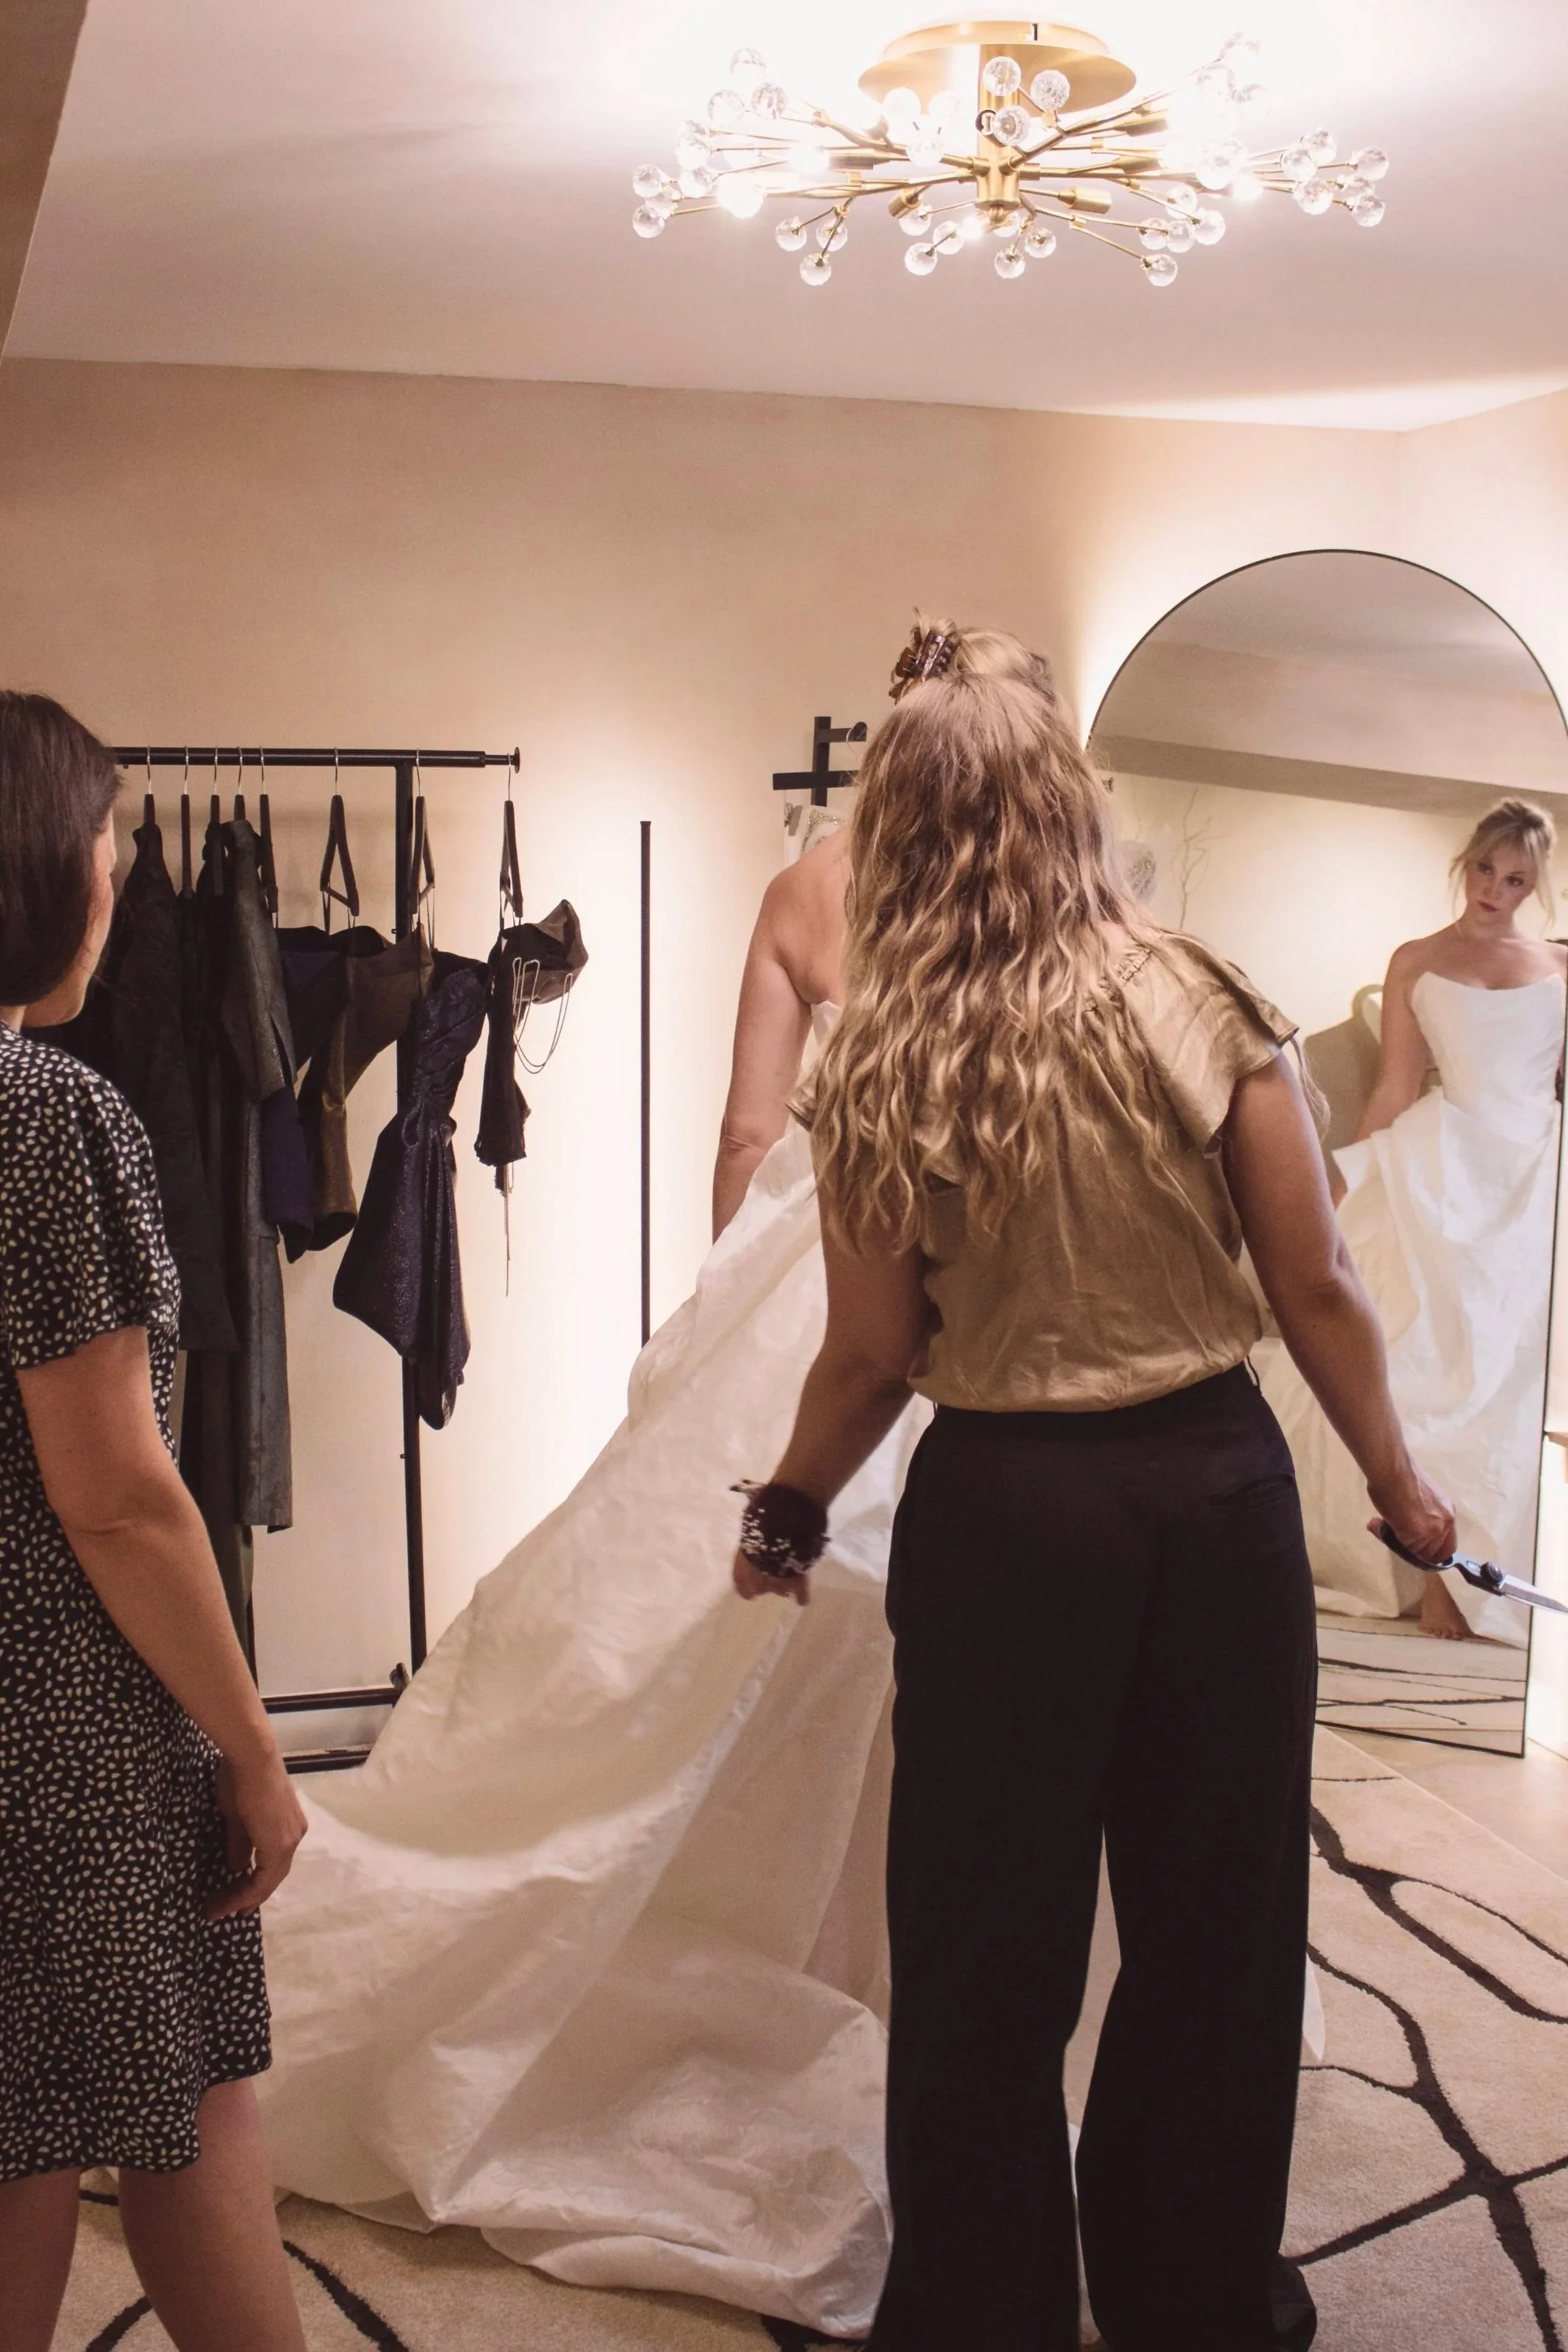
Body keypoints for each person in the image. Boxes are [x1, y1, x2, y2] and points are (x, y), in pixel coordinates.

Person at [731, 620, 1456, 2352]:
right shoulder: (1193, 995)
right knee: (1213, 1931)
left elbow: (866, 1353)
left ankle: (976, 2314)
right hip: (1208, 1503)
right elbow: (1318, 1284)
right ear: (1070, 802)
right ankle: (1187, 2299)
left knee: (981, 1950)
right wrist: (1397, 1489)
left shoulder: (879, 1054)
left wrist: (790, 1501)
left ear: (894, 828)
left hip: (1001, 1519)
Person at [255, 804, 922, 2337]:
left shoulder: (804, 885)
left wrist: (724, 1332)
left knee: (672, 1651)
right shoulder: (1006, 888)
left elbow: (751, 1138)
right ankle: (884, 1984)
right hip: (964, 1300)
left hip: (802, 1274)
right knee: (888, 1662)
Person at [0, 693, 308, 2352]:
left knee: (156, 2098)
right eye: (107, 849)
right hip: (62, 1725)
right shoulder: (44, 1118)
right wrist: (252, 1742)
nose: (117, 883)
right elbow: (116, 1494)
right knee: (101, 2111)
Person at [1264, 799, 1565, 1641]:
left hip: (1536, 1175)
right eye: (1485, 871)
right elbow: (1395, 1086)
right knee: (1421, 1357)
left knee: (1511, 1374)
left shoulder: (1558, 969)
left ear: (1534, 887)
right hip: (1445, 1165)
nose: (1496, 892)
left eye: (1516, 881)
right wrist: (1348, 1191)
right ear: (1464, 863)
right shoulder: (1418, 960)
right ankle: (1428, 1569)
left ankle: (1475, 1583)